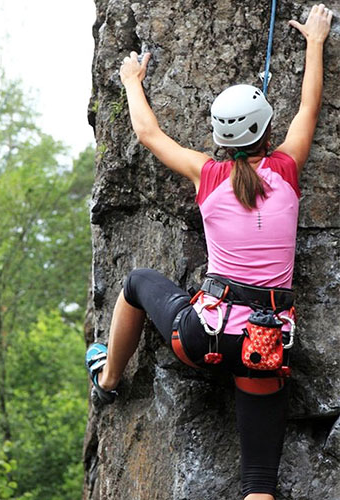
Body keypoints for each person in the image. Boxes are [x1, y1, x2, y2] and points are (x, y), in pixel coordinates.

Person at [85, 4, 333, 500]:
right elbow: (309, 108)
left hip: (203, 338)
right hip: (264, 348)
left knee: (136, 283)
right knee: (259, 481)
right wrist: (314, 43)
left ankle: (108, 377)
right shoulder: (287, 170)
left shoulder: (209, 174)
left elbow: (148, 134)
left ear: (220, 137)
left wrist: (133, 79)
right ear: (266, 132)